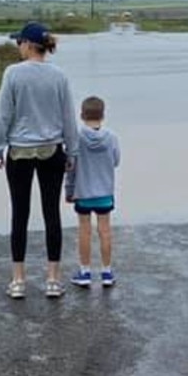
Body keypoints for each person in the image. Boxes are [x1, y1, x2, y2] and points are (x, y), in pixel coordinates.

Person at [0, 21, 80, 300]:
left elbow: (5, 113)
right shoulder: (59, 75)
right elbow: (68, 116)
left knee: (20, 214)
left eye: (19, 42)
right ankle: (53, 280)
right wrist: (72, 151)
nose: (18, 46)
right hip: (52, 150)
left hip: (19, 152)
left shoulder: (13, 74)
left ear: (28, 45)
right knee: (51, 214)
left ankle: (18, 281)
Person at [66, 95, 121, 289]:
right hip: (105, 192)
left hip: (83, 193)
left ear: (82, 115)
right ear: (103, 115)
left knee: (84, 231)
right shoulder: (112, 137)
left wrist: (69, 190)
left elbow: (70, 165)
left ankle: (85, 271)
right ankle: (106, 271)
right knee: (105, 231)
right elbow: (115, 161)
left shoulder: (76, 138)